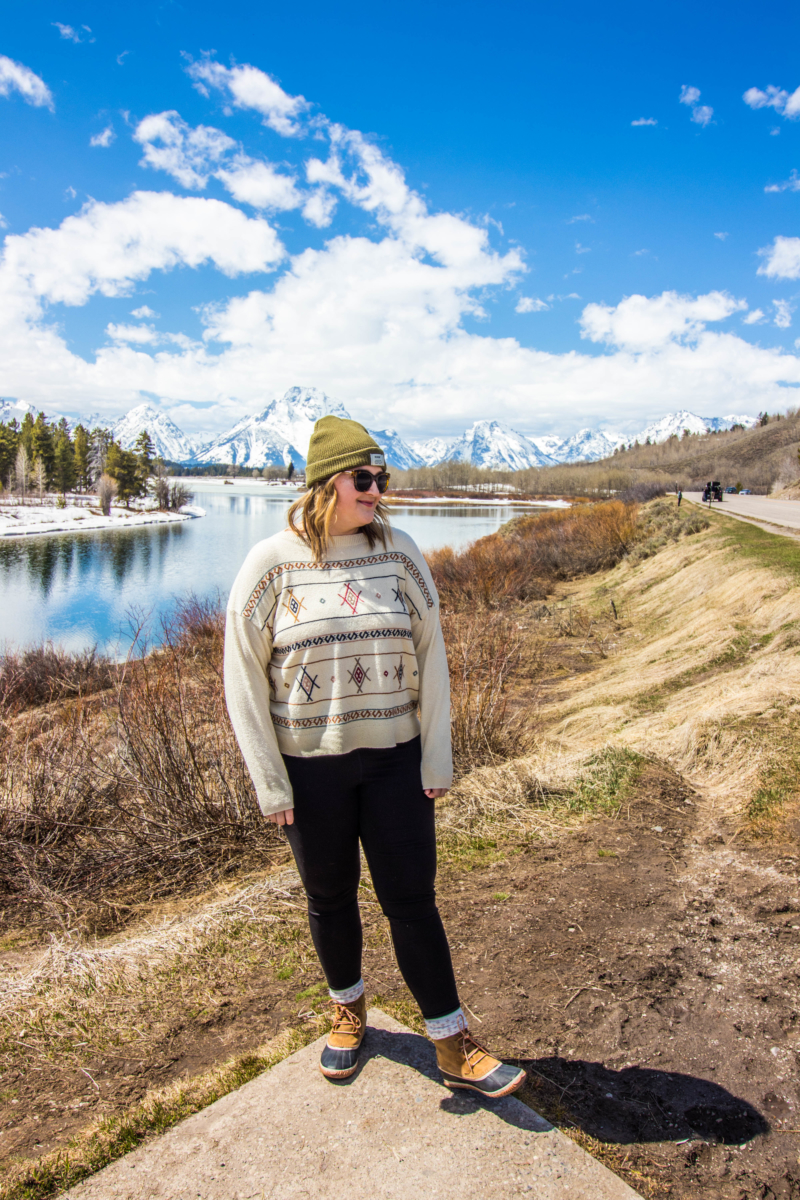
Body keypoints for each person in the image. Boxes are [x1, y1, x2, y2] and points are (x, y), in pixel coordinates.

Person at [224, 415, 525, 1098]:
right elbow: (240, 676)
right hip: (311, 771)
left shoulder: (401, 552)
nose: (378, 491)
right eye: (365, 478)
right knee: (329, 900)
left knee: (413, 901)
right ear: (327, 483)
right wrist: (272, 784)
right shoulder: (271, 563)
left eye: (382, 478)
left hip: (395, 762)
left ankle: (452, 1043)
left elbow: (433, 658)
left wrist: (436, 760)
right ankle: (348, 1012)